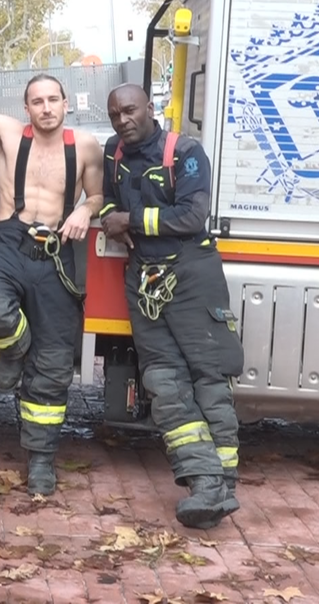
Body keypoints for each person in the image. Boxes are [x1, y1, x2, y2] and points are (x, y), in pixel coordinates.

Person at [0, 75, 105, 496]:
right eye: (37, 101)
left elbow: (100, 195)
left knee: (53, 364)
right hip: (8, 242)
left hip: (55, 253)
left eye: (53, 100)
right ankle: (14, 349)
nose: (46, 107)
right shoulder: (8, 132)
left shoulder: (84, 146)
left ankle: (42, 459)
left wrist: (86, 209)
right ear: (26, 108)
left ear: (66, 104)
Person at [99, 83, 244, 530]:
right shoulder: (113, 152)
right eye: (114, 115)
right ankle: (204, 484)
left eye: (130, 111)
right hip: (145, 277)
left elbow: (191, 217)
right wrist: (109, 216)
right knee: (163, 381)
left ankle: (224, 483)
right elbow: (109, 200)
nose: (122, 121)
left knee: (208, 378)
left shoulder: (187, 152)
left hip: (193, 273)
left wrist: (132, 220)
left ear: (150, 109)